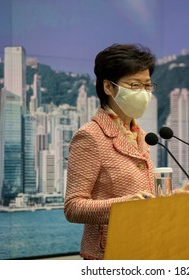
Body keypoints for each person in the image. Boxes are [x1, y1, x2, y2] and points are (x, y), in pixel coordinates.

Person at [64, 43, 157, 260]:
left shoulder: (141, 135)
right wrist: (124, 206)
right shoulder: (90, 136)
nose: (143, 93)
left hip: (147, 249)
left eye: (148, 86)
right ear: (108, 87)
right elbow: (73, 207)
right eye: (134, 85)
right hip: (107, 255)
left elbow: (144, 197)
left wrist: (176, 197)